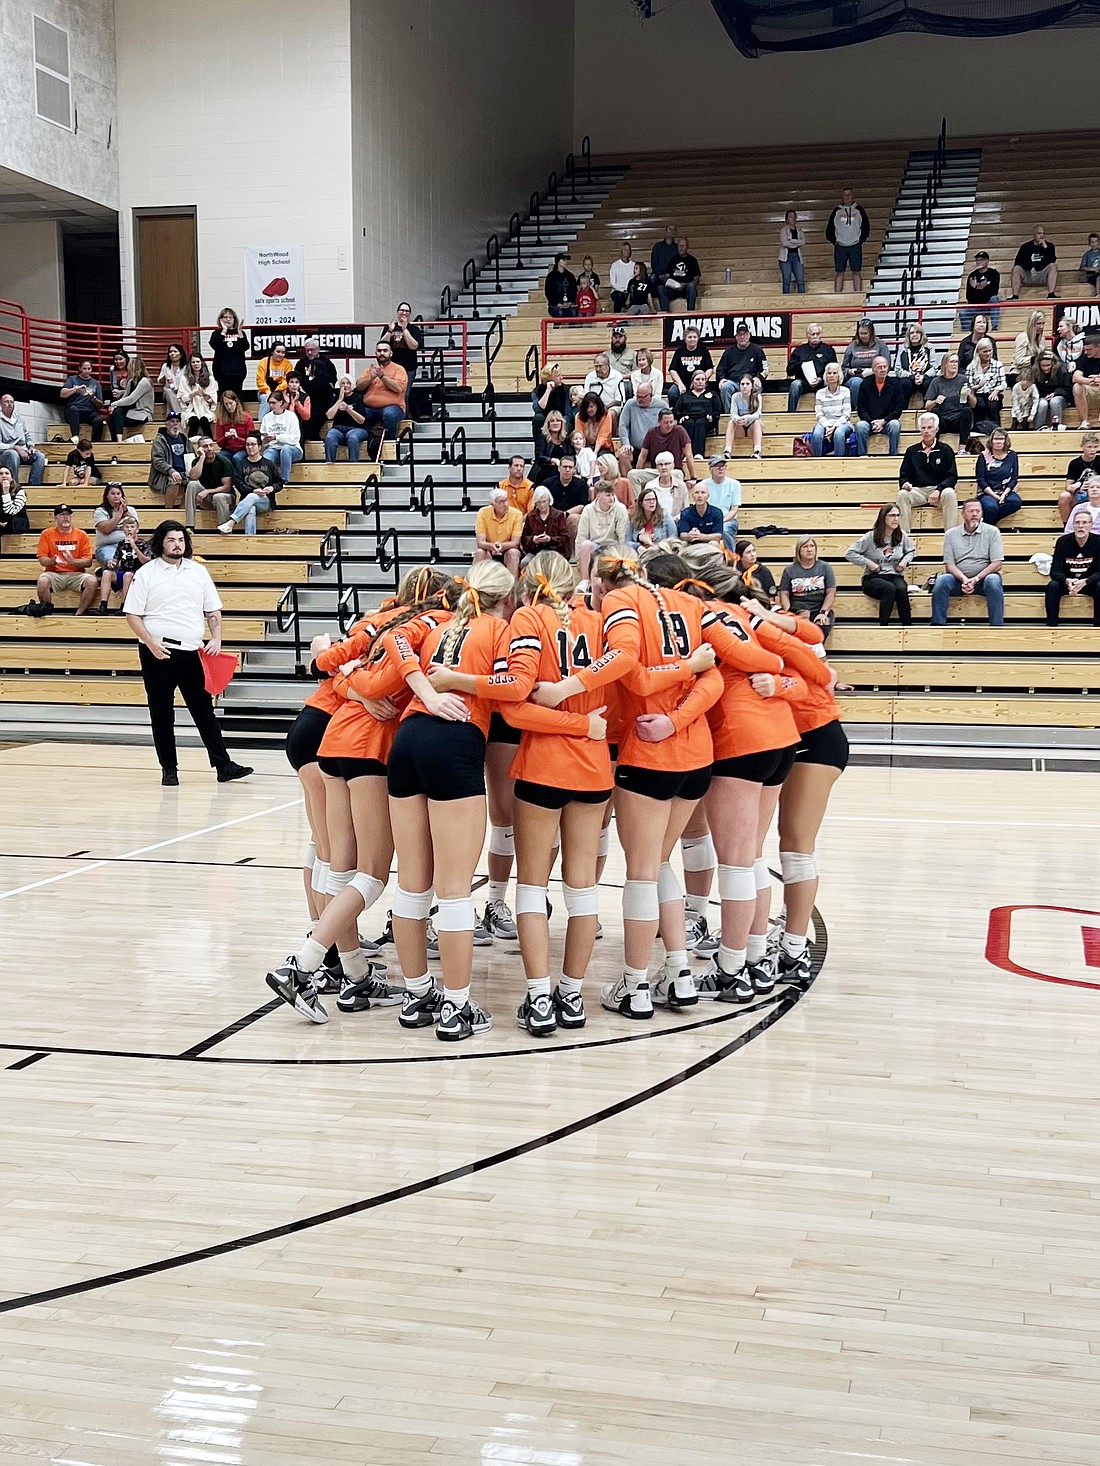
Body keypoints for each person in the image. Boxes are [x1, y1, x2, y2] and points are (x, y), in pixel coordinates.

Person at [377, 560, 529, 1041]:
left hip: (408, 739)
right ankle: (457, 1007)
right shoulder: (499, 629)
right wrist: (457, 685)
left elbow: (394, 639)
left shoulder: (441, 622)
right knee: (454, 889)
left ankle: (418, 995)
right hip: (455, 742)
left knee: (411, 885)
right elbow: (514, 688)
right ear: (504, 599)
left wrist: (424, 685)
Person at [123, 520, 251, 785]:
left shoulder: (198, 572)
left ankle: (223, 765)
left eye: (181, 540)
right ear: (161, 543)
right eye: (171, 540)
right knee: (161, 712)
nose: (177, 545)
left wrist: (216, 637)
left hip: (193, 652)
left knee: (204, 710)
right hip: (158, 651)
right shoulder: (147, 573)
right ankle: (169, 770)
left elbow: (213, 610)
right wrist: (150, 643)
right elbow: (132, 614)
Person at [930, 500, 1005, 626]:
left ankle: (997, 625)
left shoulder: (993, 532)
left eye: (978, 511)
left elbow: (997, 563)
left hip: (983, 580)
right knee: (941, 581)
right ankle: (937, 624)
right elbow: (949, 565)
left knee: (993, 580)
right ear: (963, 513)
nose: (975, 514)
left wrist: (975, 579)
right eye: (971, 511)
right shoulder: (950, 534)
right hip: (958, 580)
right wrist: (965, 580)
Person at [845, 506, 915, 625]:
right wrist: (868, 563)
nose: (896, 519)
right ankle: (883, 626)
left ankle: (907, 626)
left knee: (902, 589)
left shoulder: (901, 535)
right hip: (873, 577)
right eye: (892, 515)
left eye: (898, 515)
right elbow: (849, 553)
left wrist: (905, 561)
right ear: (883, 518)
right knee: (889, 589)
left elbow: (911, 551)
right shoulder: (870, 536)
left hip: (894, 575)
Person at [29, 503, 98, 616]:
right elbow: (42, 559)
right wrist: (53, 561)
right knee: (42, 581)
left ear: (71, 517)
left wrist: (73, 561)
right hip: (54, 573)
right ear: (56, 518)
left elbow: (88, 562)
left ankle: (79, 614)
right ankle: (46, 612)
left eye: (68, 515)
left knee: (92, 581)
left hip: (76, 574)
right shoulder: (47, 534)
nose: (65, 517)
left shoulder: (81, 535)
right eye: (61, 515)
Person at [896, 411, 959, 534]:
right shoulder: (911, 451)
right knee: (902, 495)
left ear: (936, 429)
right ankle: (903, 538)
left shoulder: (945, 450)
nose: (926, 431)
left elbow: (952, 477)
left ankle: (951, 536)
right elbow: (903, 475)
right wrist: (905, 484)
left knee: (950, 493)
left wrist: (939, 489)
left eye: (929, 427)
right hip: (918, 491)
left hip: (939, 491)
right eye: (923, 428)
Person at [219, 432, 282, 535]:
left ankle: (231, 523)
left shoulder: (269, 463)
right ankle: (249, 540)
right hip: (246, 500)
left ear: (259, 447)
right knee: (250, 509)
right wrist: (253, 490)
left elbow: (279, 482)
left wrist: (272, 488)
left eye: (253, 444)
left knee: (252, 496)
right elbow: (238, 484)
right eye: (247, 445)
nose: (250, 447)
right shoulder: (241, 464)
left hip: (266, 501)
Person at [1045, 507, 1100, 625]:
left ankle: (1098, 627)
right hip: (1069, 582)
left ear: (1091, 525)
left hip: (1089, 583)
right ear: (1073, 525)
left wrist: (1086, 581)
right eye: (1077, 523)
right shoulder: (1063, 542)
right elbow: (1055, 571)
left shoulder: (1098, 542)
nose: (1080, 526)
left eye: (1084, 523)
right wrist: (1067, 581)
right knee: (1052, 586)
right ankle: (1051, 625)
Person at [629, 407, 696, 495]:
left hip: (674, 471)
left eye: (671, 422)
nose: (669, 425)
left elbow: (689, 455)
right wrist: (638, 471)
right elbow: (643, 455)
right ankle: (639, 503)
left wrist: (693, 477)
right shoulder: (651, 432)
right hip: (657, 470)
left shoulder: (679, 431)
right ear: (659, 422)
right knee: (632, 474)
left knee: (678, 474)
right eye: (666, 422)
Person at [780, 535, 837, 637]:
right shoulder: (789, 570)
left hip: (819, 608)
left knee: (822, 624)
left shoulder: (825, 567)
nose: (809, 549)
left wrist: (823, 612)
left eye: (812, 546)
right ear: (799, 550)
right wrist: (789, 613)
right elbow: (784, 594)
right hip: (798, 609)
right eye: (805, 547)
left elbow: (831, 593)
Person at [354, 341, 408, 445]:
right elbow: (358, 387)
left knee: (389, 414)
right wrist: (371, 377)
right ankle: (370, 442)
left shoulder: (399, 369)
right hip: (370, 408)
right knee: (358, 412)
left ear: (391, 353)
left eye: (385, 350)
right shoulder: (370, 370)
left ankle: (389, 444)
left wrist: (382, 376)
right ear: (375, 353)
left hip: (393, 407)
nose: (382, 353)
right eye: (379, 351)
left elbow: (398, 388)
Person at [576, 480, 628, 580]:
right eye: (608, 495)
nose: (611, 498)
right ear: (598, 495)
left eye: (612, 495)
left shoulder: (620, 509)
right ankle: (584, 581)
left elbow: (622, 537)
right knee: (585, 545)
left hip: (613, 546)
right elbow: (581, 536)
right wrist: (579, 559)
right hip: (595, 546)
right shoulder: (588, 509)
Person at [98, 514, 150, 614]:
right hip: (123, 572)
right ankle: (103, 606)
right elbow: (116, 560)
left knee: (128, 575)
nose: (129, 529)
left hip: (137, 575)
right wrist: (112, 563)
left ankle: (124, 607)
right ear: (123, 530)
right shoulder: (121, 544)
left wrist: (134, 546)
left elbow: (146, 561)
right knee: (106, 573)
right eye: (127, 527)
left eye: (132, 527)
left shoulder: (144, 544)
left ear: (137, 530)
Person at [378, 304, 424, 412]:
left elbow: (414, 346)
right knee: (389, 393)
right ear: (397, 311)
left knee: (404, 394)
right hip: (392, 367)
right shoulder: (389, 327)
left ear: (409, 314)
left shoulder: (414, 329)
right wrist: (390, 331)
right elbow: (382, 343)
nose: (404, 313)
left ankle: (404, 419)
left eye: (406, 311)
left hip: (409, 368)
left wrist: (405, 329)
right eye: (402, 310)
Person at [923, 352, 974, 448]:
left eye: (956, 362)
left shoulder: (963, 379)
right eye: (952, 362)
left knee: (967, 411)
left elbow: (973, 404)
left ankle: (962, 447)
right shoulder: (936, 381)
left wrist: (970, 395)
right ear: (945, 364)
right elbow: (927, 406)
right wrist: (935, 401)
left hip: (957, 419)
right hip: (943, 419)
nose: (955, 364)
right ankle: (933, 445)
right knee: (934, 412)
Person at [856, 357, 905, 455]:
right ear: (873, 369)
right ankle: (862, 456)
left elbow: (898, 409)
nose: (883, 369)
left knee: (895, 424)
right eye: (879, 367)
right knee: (860, 426)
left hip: (887, 422)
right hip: (870, 422)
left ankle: (893, 456)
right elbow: (861, 408)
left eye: (885, 367)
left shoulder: (895, 384)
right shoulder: (865, 384)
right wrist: (872, 422)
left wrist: (884, 421)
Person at [185, 436, 236, 529]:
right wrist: (202, 458)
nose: (209, 449)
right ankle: (190, 526)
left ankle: (225, 530)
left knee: (218, 496)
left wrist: (207, 491)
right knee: (192, 484)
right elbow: (193, 477)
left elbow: (227, 487)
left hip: (226, 498)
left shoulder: (224, 461)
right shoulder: (197, 462)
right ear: (200, 449)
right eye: (205, 446)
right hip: (207, 500)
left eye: (211, 445)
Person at [826, 188, 870, 293]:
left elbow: (866, 228)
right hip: (840, 246)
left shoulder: (859, 210)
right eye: (845, 195)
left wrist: (859, 241)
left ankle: (858, 294)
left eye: (849, 195)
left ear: (853, 196)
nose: (847, 197)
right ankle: (837, 295)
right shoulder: (836, 211)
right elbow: (829, 230)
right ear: (842, 197)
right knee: (839, 272)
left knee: (856, 271)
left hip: (855, 246)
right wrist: (836, 241)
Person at [786, 323, 837, 411]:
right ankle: (790, 412)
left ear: (821, 335)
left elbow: (834, 368)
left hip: (822, 382)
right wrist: (800, 365)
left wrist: (821, 378)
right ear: (807, 336)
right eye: (812, 334)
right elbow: (789, 371)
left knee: (830, 382)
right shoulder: (799, 351)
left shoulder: (828, 350)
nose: (815, 336)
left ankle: (831, 411)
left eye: (818, 334)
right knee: (795, 384)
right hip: (804, 382)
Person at [975, 428, 1021, 524]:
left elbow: (1014, 478)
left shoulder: (1012, 455)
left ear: (1005, 441)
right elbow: (981, 480)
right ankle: (990, 527)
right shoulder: (983, 456)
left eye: (1001, 439)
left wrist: (1004, 494)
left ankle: (988, 524)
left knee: (1015, 502)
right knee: (991, 506)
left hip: (1007, 492)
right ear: (991, 441)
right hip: (987, 493)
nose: (998, 441)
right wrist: (994, 496)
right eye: (996, 439)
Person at [717, 323, 769, 406]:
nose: (742, 337)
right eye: (739, 335)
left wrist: (759, 377)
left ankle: (752, 414)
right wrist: (721, 378)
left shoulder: (757, 350)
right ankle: (729, 415)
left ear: (749, 335)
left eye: (744, 334)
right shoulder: (729, 351)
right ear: (736, 337)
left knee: (756, 386)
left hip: (751, 381)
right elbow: (720, 369)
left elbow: (765, 370)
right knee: (725, 387)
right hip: (733, 382)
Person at [474, 487, 523, 574]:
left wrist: (501, 546)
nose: (506, 504)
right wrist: (491, 546)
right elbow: (480, 542)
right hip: (489, 549)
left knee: (513, 553)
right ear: (493, 504)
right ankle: (475, 584)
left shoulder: (516, 514)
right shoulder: (483, 513)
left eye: (506, 500)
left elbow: (515, 542)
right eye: (501, 502)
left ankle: (512, 586)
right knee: (480, 552)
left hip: (507, 549)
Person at [0, 393, 46, 485]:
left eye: (11, 402)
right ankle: (14, 486)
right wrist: (15, 447)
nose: (9, 404)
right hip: (5, 453)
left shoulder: (19, 418)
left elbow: (27, 435)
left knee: (40, 456)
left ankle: (34, 486)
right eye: (6, 402)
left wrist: (31, 447)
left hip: (23, 451)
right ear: (1, 404)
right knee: (12, 454)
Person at [697, 454, 741, 549]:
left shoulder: (735, 484)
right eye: (717, 466)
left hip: (727, 520)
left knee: (724, 530)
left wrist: (720, 521)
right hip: (707, 519)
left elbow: (734, 509)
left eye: (723, 466)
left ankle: (731, 558)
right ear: (710, 469)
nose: (721, 469)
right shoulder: (702, 485)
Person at [258, 390, 303, 482]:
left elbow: (295, 439)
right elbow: (263, 435)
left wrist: (276, 437)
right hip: (273, 448)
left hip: (293, 449)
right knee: (267, 457)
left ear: (281, 402)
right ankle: (266, 482)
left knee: (285, 449)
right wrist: (265, 439)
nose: (271, 405)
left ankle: (283, 480)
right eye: (269, 403)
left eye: (273, 403)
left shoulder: (291, 416)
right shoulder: (266, 417)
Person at [148, 411, 190, 509]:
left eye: (177, 421)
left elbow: (191, 456)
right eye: (172, 421)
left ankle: (182, 511)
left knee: (194, 484)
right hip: (164, 475)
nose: (175, 424)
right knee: (174, 480)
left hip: (184, 472)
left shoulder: (184, 439)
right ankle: (168, 510)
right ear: (166, 424)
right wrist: (171, 471)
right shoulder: (160, 440)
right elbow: (157, 460)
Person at [674, 370, 721, 458]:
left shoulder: (712, 395)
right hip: (689, 418)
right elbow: (677, 410)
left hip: (705, 420)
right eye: (697, 379)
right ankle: (687, 454)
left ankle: (698, 454)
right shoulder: (685, 396)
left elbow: (717, 410)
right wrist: (680, 417)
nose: (700, 381)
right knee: (689, 423)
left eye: (703, 379)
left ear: (706, 382)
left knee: (699, 423)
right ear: (693, 381)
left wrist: (713, 417)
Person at [811, 362, 854, 457]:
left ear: (839, 376)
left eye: (835, 373)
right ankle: (816, 462)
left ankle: (838, 462)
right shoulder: (820, 393)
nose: (832, 376)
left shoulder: (845, 391)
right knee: (817, 434)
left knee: (838, 433)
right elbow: (819, 414)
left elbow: (846, 414)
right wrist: (827, 427)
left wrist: (834, 427)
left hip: (842, 423)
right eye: (829, 373)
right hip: (824, 423)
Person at [107, 355, 154, 441]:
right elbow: (124, 398)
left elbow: (131, 399)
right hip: (131, 412)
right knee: (112, 416)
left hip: (142, 413)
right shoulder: (131, 382)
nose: (127, 367)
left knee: (117, 413)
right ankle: (116, 441)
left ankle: (119, 441)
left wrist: (113, 404)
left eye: (129, 365)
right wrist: (114, 407)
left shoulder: (144, 382)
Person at [618, 382, 666, 466]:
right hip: (635, 448)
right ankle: (629, 478)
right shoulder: (630, 404)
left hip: (655, 448)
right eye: (638, 396)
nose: (639, 399)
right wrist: (626, 443)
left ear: (651, 395)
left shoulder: (662, 405)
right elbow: (623, 425)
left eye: (642, 397)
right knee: (623, 455)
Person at [521, 485, 572, 561]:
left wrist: (550, 539)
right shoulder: (530, 516)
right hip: (536, 552)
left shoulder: (559, 515)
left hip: (556, 551)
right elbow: (524, 538)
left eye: (544, 501)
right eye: (539, 502)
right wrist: (533, 539)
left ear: (549, 501)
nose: (542, 505)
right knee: (524, 563)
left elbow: (565, 538)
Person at [324, 376, 369, 462]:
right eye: (343, 383)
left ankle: (353, 464)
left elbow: (362, 420)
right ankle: (329, 464)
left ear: (352, 385)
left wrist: (348, 409)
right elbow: (329, 416)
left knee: (352, 438)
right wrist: (339, 400)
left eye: (348, 383)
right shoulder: (336, 398)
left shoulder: (358, 398)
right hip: (338, 428)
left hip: (357, 428)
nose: (345, 386)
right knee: (330, 437)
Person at [93, 483, 138, 567]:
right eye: (113, 494)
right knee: (114, 562)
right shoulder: (100, 511)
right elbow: (106, 529)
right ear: (107, 496)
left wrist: (126, 512)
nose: (116, 496)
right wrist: (119, 514)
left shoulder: (131, 510)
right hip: (107, 547)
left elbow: (134, 529)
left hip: (128, 545)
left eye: (118, 494)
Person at [667, 326, 713, 408]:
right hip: (682, 382)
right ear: (685, 339)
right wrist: (680, 385)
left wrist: (702, 380)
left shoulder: (704, 351)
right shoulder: (679, 351)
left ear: (698, 338)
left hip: (699, 382)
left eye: (695, 337)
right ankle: (675, 414)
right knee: (672, 392)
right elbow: (672, 370)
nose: (692, 339)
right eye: (690, 337)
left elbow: (710, 369)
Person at [208, 309, 250, 398]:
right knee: (224, 397)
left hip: (237, 371)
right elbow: (214, 345)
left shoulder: (240, 332)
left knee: (237, 397)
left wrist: (240, 333)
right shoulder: (217, 333)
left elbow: (245, 347)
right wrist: (224, 331)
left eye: (230, 317)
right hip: (221, 371)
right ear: (221, 319)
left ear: (234, 319)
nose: (228, 320)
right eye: (225, 317)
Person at [965, 338, 1008, 427]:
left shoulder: (998, 365)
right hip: (977, 394)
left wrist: (996, 391)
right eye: (985, 351)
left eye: (990, 351)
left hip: (993, 393)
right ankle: (979, 429)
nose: (988, 354)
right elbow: (968, 386)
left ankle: (996, 429)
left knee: (992, 405)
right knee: (980, 405)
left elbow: (1003, 384)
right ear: (978, 352)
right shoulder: (971, 367)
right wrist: (978, 386)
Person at [1059, 432, 1100, 524]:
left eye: (1095, 447)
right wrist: (1078, 487)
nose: (1092, 450)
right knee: (1064, 496)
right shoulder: (1075, 463)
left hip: (1096, 492)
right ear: (1082, 447)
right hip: (1079, 493)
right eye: (1089, 447)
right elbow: (1068, 486)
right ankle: (1067, 526)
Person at [60, 360, 105, 440]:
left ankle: (95, 442)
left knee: (98, 419)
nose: (87, 371)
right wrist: (76, 389)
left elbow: (100, 404)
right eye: (84, 368)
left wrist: (93, 398)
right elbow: (62, 394)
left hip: (89, 411)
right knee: (73, 409)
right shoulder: (72, 379)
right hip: (73, 411)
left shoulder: (96, 383)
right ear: (80, 368)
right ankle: (75, 436)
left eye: (89, 369)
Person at [893, 325, 939, 403]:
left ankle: (928, 409)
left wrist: (923, 376)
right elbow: (898, 369)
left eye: (917, 332)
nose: (914, 335)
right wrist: (912, 376)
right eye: (912, 333)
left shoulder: (929, 347)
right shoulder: (903, 348)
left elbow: (934, 368)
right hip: (909, 377)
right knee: (904, 383)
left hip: (925, 377)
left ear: (921, 335)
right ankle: (903, 411)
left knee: (930, 382)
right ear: (908, 336)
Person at [1009, 227, 1058, 298]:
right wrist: (1031, 268)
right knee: (1016, 269)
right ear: (1033, 235)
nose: (1041, 235)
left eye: (1043, 233)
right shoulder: (1026, 246)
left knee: (1053, 266)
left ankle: (1051, 294)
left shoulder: (1049, 246)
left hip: (1042, 275)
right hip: (1029, 274)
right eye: (1039, 233)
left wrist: (1045, 247)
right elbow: (1019, 261)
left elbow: (1052, 260)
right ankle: (1015, 295)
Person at [842, 318, 884, 400]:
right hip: (856, 377)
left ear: (871, 333)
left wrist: (873, 371)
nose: (863, 336)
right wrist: (850, 371)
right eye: (861, 333)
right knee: (856, 383)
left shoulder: (880, 345)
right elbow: (843, 368)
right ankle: (856, 409)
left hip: (875, 375)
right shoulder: (852, 346)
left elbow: (887, 364)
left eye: (865, 333)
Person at [657, 235, 700, 312]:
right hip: (674, 288)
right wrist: (665, 279)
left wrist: (685, 285)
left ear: (687, 247)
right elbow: (667, 275)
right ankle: (665, 314)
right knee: (661, 288)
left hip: (686, 288)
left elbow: (696, 279)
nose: (681, 248)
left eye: (683, 246)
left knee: (691, 287)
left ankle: (690, 314)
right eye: (679, 246)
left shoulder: (692, 260)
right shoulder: (673, 259)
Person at [960, 250, 1001, 331]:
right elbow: (969, 297)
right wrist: (975, 288)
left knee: (995, 299)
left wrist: (980, 288)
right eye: (977, 260)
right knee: (963, 312)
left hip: (988, 305)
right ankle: (969, 333)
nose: (979, 262)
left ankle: (994, 327)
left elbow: (994, 292)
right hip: (975, 305)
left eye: (981, 260)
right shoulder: (972, 275)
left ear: (987, 261)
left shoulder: (993, 274)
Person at [724, 375, 764, 458]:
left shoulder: (757, 396)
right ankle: (727, 451)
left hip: (752, 427)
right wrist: (737, 419)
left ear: (752, 386)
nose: (744, 386)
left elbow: (758, 414)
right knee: (731, 422)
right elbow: (733, 414)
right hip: (740, 426)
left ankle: (757, 451)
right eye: (742, 384)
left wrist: (747, 418)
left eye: (747, 384)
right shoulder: (735, 396)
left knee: (756, 422)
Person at [179, 354, 217, 438]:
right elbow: (182, 398)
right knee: (194, 421)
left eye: (197, 362)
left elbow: (212, 399)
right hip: (191, 408)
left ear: (202, 363)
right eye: (193, 362)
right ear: (190, 364)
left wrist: (204, 394)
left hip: (205, 408)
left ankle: (209, 443)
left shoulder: (210, 378)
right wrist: (194, 394)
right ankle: (189, 444)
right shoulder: (184, 379)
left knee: (204, 420)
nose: (195, 364)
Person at [677, 479, 725, 545]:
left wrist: (701, 536)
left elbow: (718, 536)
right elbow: (682, 535)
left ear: (708, 496)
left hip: (708, 543)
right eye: (696, 492)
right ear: (692, 495)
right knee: (683, 543)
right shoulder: (685, 513)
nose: (699, 496)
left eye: (703, 492)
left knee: (714, 543)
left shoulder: (717, 512)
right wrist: (690, 535)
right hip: (691, 542)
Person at [628, 486, 676, 550]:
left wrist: (660, 546)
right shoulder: (634, 518)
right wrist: (637, 546)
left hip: (660, 552)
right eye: (648, 500)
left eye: (654, 499)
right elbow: (626, 542)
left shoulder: (665, 515)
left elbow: (673, 538)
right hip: (640, 553)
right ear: (641, 503)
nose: (652, 502)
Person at [1033, 350, 1069, 430]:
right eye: (1043, 366)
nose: (1046, 368)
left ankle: (1057, 427)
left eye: (1048, 365)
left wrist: (1055, 393)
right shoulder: (1035, 372)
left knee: (1055, 402)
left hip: (1059, 396)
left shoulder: (1061, 370)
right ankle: (1038, 429)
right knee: (1042, 404)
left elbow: (1067, 388)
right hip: (1042, 396)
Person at [533, 409, 570, 486]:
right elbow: (539, 457)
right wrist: (552, 460)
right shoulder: (542, 438)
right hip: (546, 473)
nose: (555, 423)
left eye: (558, 421)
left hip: (564, 472)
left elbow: (571, 456)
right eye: (552, 421)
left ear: (562, 423)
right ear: (548, 424)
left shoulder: (566, 440)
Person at [255, 342, 292, 418]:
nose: (280, 354)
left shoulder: (288, 364)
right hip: (265, 391)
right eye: (278, 352)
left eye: (283, 352)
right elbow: (260, 381)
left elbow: (287, 381)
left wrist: (277, 391)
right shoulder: (264, 362)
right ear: (272, 352)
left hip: (281, 391)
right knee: (266, 399)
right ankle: (262, 423)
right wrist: (268, 392)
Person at [1072, 331, 1100, 428]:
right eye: (1085, 349)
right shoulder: (1083, 358)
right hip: (1091, 391)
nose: (1086, 352)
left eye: (1089, 349)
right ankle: (1084, 422)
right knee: (1077, 387)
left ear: (1098, 347)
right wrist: (1089, 381)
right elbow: (1076, 377)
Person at [582, 355, 624, 419]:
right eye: (596, 366)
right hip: (593, 406)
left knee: (610, 414)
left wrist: (605, 408)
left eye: (601, 366)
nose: (598, 369)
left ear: (608, 365)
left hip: (612, 406)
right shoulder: (589, 377)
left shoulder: (617, 376)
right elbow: (586, 397)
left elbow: (619, 400)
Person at [1011, 309, 1047, 378]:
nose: (1042, 327)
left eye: (1043, 323)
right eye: (1039, 324)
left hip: (1035, 373)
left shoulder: (1042, 340)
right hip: (1019, 373)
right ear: (1032, 324)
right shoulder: (1022, 337)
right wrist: (1034, 359)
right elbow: (1018, 361)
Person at [778, 208, 806, 294]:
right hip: (786, 257)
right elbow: (785, 243)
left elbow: (803, 242)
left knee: (800, 280)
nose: (793, 219)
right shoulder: (783, 230)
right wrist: (796, 242)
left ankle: (803, 299)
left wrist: (792, 241)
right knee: (787, 280)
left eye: (794, 216)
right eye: (790, 217)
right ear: (787, 219)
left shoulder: (799, 231)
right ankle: (786, 301)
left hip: (797, 256)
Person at [156, 344, 188, 417]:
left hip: (181, 393)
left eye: (175, 351)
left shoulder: (186, 367)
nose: (172, 354)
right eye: (170, 352)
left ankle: (171, 418)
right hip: (168, 392)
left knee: (171, 404)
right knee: (168, 391)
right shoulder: (165, 366)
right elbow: (160, 382)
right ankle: (179, 415)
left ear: (181, 354)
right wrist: (163, 379)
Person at [0, 465, 29, 541]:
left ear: (12, 477)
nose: (4, 476)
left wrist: (6, 492)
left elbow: (12, 511)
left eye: (7, 473)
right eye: (1, 474)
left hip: (16, 522)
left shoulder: (20, 492)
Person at [545, 253, 578, 317]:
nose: (565, 262)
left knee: (573, 312)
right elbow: (548, 293)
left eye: (566, 260)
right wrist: (557, 304)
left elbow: (574, 291)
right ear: (558, 262)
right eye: (563, 260)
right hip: (555, 305)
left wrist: (570, 302)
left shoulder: (570, 276)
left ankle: (572, 327)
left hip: (568, 304)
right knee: (559, 312)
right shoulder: (551, 276)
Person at [284, 372, 312, 441]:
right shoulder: (282, 395)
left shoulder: (305, 397)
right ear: (287, 384)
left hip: (299, 425)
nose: (294, 385)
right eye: (291, 382)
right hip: (284, 424)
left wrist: (297, 403)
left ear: (299, 384)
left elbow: (306, 417)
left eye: (296, 382)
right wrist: (286, 403)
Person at [1011, 365, 1039, 431]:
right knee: (1014, 424)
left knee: (1026, 424)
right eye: (1023, 380)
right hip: (1017, 408)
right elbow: (1014, 401)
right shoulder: (1016, 387)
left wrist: (1032, 414)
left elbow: (1036, 400)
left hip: (1027, 408)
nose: (1025, 383)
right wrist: (1018, 414)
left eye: (1028, 380)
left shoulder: (1033, 387)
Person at [609, 243, 635, 312]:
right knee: (619, 296)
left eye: (628, 249)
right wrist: (623, 290)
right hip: (618, 291)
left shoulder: (633, 265)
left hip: (630, 291)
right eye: (625, 249)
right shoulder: (615, 265)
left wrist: (628, 291)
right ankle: (616, 319)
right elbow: (612, 283)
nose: (627, 251)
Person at [1080, 232, 1100, 296]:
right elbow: (1082, 267)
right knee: (1099, 277)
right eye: (1092, 242)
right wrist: (1093, 269)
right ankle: (1098, 294)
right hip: (1091, 275)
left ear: (1099, 242)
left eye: (1096, 241)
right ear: (1089, 243)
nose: (1094, 244)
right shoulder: (1087, 254)